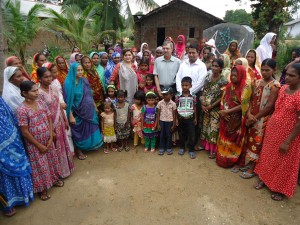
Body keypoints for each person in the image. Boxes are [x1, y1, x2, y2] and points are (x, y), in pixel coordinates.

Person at [254, 63, 300, 201]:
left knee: (284, 162)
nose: (287, 78)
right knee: (268, 155)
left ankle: (279, 189)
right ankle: (264, 179)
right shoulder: (283, 88)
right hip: (273, 130)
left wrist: (287, 141)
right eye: (287, 74)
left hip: (289, 135)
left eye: (292, 76)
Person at [17, 81, 63, 201]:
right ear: (24, 93)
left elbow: (48, 119)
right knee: (40, 166)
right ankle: (43, 189)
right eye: (34, 91)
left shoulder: (41, 102)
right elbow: (25, 131)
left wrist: (51, 137)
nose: (37, 92)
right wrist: (38, 145)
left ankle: (54, 179)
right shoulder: (22, 110)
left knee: (51, 160)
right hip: (35, 145)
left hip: (47, 139)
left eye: (37, 90)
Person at [240, 59, 280, 179]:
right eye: (262, 69)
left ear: (274, 70)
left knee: (258, 142)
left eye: (267, 70)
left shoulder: (275, 86)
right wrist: (249, 114)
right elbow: (251, 99)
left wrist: (255, 117)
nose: (264, 72)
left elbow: (269, 106)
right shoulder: (257, 82)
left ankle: (253, 168)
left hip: (263, 119)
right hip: (253, 116)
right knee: (251, 140)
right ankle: (250, 163)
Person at [37, 67, 74, 179]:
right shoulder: (38, 93)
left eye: (50, 76)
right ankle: (57, 172)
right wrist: (49, 128)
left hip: (59, 121)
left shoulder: (53, 88)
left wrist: (64, 119)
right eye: (46, 77)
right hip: (49, 124)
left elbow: (58, 105)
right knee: (54, 147)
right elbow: (41, 112)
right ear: (39, 78)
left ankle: (65, 169)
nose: (49, 79)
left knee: (62, 144)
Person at [0, 97, 34, 217]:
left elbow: (9, 116)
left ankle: (25, 195)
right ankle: (8, 204)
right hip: (2, 147)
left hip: (13, 139)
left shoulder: (1, 101)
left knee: (19, 165)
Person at [64, 63, 103, 160]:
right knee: (78, 132)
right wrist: (71, 116)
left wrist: (94, 107)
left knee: (90, 128)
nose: (80, 72)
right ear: (73, 71)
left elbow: (89, 95)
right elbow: (68, 101)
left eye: (81, 70)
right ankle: (79, 150)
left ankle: (89, 146)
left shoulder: (84, 81)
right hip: (77, 113)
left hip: (89, 111)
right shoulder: (68, 84)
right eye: (78, 70)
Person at [216, 65, 251, 169]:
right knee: (224, 137)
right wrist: (223, 111)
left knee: (235, 140)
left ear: (241, 75)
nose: (233, 77)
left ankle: (233, 161)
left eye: (236, 75)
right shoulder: (229, 86)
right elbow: (223, 99)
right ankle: (222, 158)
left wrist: (227, 111)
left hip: (237, 119)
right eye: (232, 74)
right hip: (226, 116)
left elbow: (244, 105)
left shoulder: (245, 87)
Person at [200, 59, 228, 159]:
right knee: (205, 126)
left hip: (215, 108)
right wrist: (203, 104)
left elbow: (222, 96)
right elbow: (204, 91)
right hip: (205, 107)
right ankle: (204, 146)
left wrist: (211, 106)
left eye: (216, 66)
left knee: (213, 128)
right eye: (213, 66)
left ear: (221, 68)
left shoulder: (223, 81)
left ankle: (213, 150)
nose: (214, 68)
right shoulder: (207, 77)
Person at [176, 77, 197, 159]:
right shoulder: (178, 96)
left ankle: (191, 149)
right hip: (181, 118)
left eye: (186, 85)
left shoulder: (193, 96)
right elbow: (176, 107)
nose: (184, 87)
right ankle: (182, 147)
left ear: (190, 86)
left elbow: (194, 108)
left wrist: (195, 118)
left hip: (190, 118)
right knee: (181, 134)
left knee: (191, 134)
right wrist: (177, 119)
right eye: (183, 85)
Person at [157, 87, 177, 155]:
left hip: (170, 121)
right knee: (162, 135)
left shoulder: (173, 104)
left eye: (166, 94)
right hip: (162, 121)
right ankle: (162, 148)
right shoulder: (160, 103)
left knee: (169, 135)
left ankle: (169, 148)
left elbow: (174, 115)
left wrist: (174, 124)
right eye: (163, 94)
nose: (164, 96)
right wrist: (158, 124)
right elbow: (158, 114)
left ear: (171, 95)